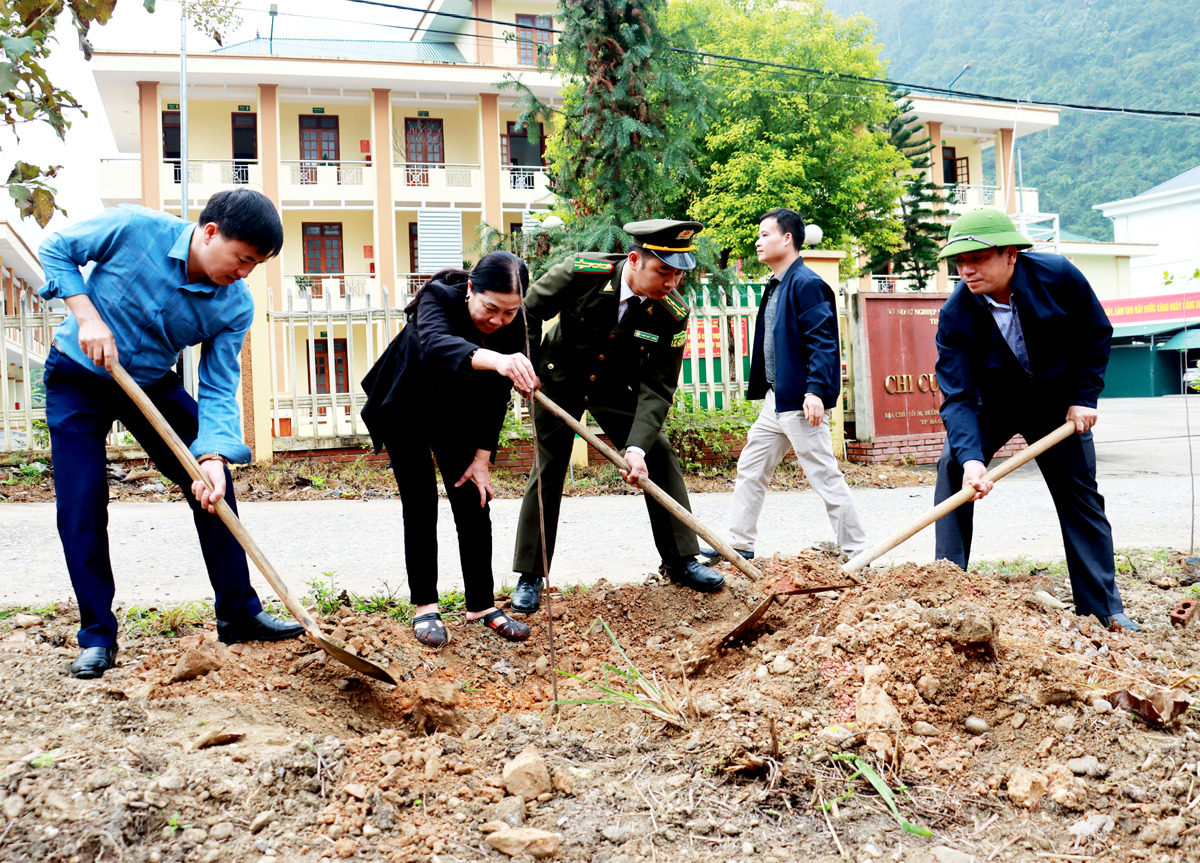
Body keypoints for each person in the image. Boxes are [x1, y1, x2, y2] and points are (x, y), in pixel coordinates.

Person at [38, 190, 304, 680]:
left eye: (256, 265)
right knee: (82, 502)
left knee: (213, 489)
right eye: (243, 258)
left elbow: (220, 385)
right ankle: (97, 634)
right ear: (209, 232)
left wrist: (213, 455)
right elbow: (56, 247)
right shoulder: (135, 227)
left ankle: (239, 614)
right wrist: (88, 316)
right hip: (79, 375)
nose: (245, 272)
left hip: (154, 385)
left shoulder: (234, 305)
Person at [932, 208, 1138, 630]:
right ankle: (946, 588)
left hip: (1058, 405)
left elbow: (1096, 332)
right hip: (995, 403)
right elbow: (957, 395)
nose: (967, 270)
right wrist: (973, 460)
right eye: (960, 261)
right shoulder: (957, 312)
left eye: (978, 258)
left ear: (1011, 255)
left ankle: (1102, 608)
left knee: (1080, 495)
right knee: (954, 465)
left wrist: (1083, 398)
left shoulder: (1058, 275)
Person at [509, 220, 725, 614]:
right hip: (557, 378)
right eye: (664, 271)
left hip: (613, 387)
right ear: (634, 259)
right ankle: (531, 574)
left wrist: (637, 446)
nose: (672, 282)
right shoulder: (581, 272)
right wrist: (527, 364)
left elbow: (658, 387)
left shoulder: (672, 313)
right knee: (549, 465)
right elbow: (527, 313)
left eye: (679, 273)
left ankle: (680, 559)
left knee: (657, 454)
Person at [361, 252, 539, 647]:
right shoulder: (437, 298)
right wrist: (500, 360)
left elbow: (496, 397)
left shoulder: (521, 325)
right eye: (491, 308)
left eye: (510, 313)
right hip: (405, 404)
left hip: (458, 413)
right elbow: (438, 345)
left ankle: (481, 604)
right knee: (421, 502)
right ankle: (425, 607)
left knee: (474, 500)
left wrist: (481, 458)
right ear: (471, 289)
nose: (498, 321)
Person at [700, 209, 868, 565]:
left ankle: (858, 554)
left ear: (787, 238)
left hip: (800, 401)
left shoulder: (807, 284)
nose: (758, 241)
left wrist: (816, 391)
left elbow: (823, 341)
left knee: (825, 476)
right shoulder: (778, 285)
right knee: (751, 466)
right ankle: (740, 543)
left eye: (764, 234)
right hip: (777, 400)